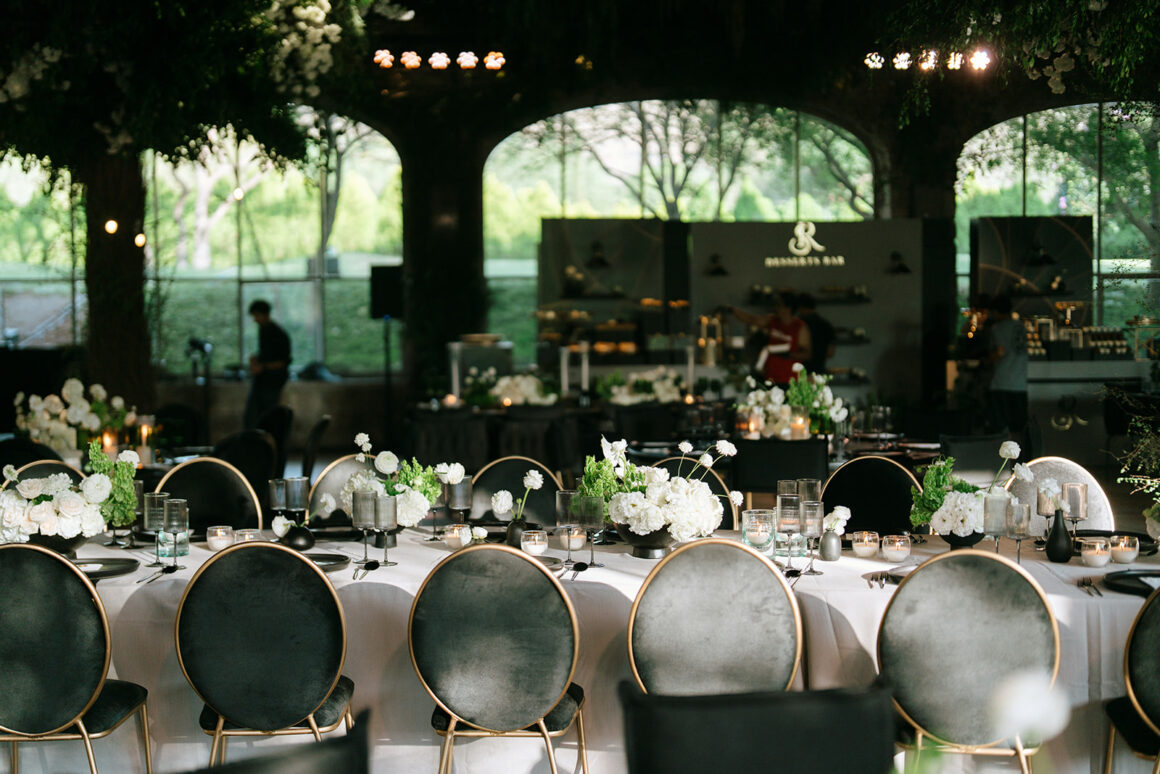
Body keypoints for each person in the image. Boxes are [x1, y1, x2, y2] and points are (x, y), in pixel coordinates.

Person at [730, 293, 811, 385]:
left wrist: (790, 354)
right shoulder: (772, 320)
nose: (775, 308)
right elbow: (751, 319)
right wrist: (732, 310)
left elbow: (807, 354)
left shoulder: (799, 327)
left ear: (788, 308)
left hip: (790, 379)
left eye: (779, 305)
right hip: (770, 377)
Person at [244, 299, 291, 429]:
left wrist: (262, 367)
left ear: (266, 315)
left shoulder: (278, 334)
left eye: (257, 316)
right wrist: (256, 360)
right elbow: (266, 355)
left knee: (267, 418)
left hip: (272, 382)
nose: (255, 320)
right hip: (262, 380)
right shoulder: (263, 330)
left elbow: (283, 362)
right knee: (253, 416)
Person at [987, 294, 1028, 437]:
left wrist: (988, 360)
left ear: (996, 311)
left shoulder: (998, 328)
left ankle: (1003, 451)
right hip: (1021, 384)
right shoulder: (1022, 327)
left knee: (1001, 429)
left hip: (1002, 383)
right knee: (1019, 428)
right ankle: (1019, 451)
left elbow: (1000, 351)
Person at [792, 293, 835, 374]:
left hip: (798, 370)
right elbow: (830, 353)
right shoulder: (826, 325)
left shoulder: (798, 325)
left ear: (799, 307)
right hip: (818, 370)